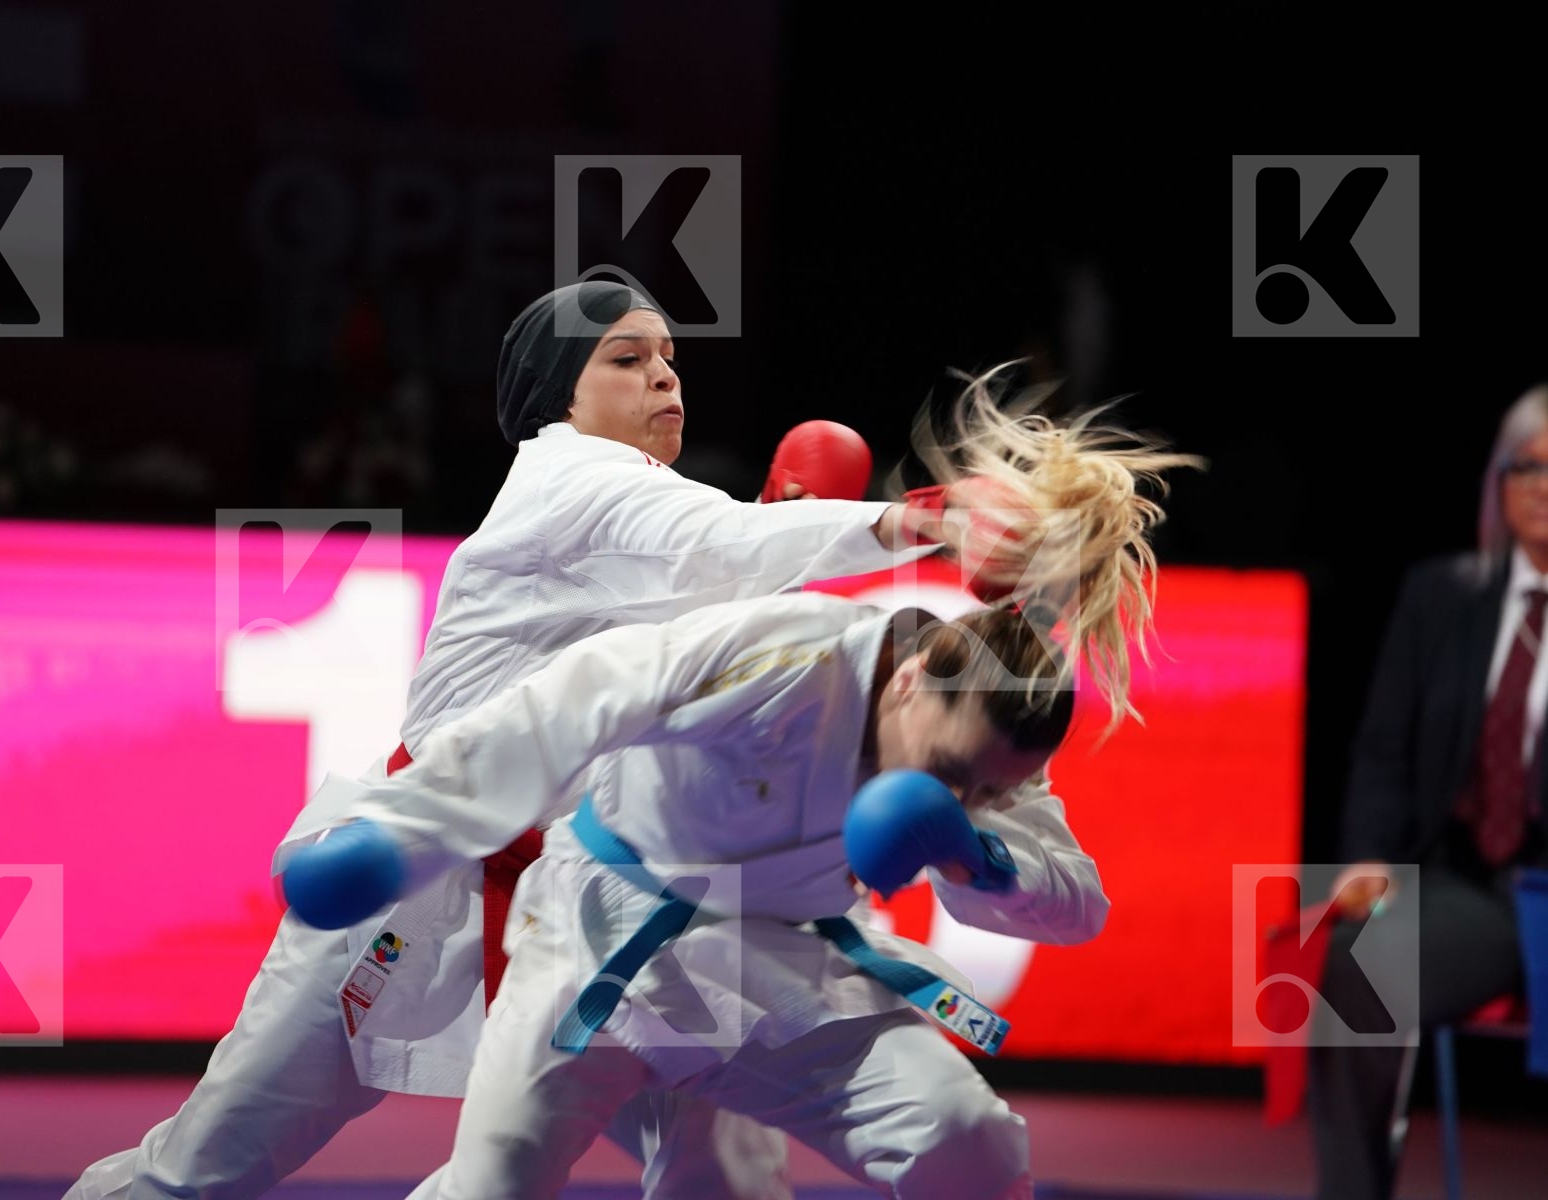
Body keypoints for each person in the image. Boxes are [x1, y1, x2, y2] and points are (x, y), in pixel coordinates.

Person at [68, 280, 977, 1200]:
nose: (663, 376)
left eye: (669, 357)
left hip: (591, 902)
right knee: (203, 1167)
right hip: (421, 870)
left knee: (717, 1160)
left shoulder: (650, 514)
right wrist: (922, 520)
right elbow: (714, 542)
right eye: (626, 360)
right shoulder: (567, 477)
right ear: (559, 397)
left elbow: (704, 614)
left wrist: (777, 552)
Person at [282, 381, 1198, 1199]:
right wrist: (407, 831)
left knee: (968, 1140)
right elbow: (573, 703)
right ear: (913, 678)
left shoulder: (991, 754)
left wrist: (983, 857)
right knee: (493, 1186)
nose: (954, 791)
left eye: (982, 790)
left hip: (781, 961)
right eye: (953, 772)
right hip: (598, 933)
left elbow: (1079, 904)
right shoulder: (790, 653)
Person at [1310, 383, 1548, 1200]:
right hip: (1472, 895)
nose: (1545, 486)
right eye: (1528, 467)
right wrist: (1367, 859)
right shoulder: (1439, 597)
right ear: (1498, 481)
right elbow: (1382, 751)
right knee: (1350, 962)